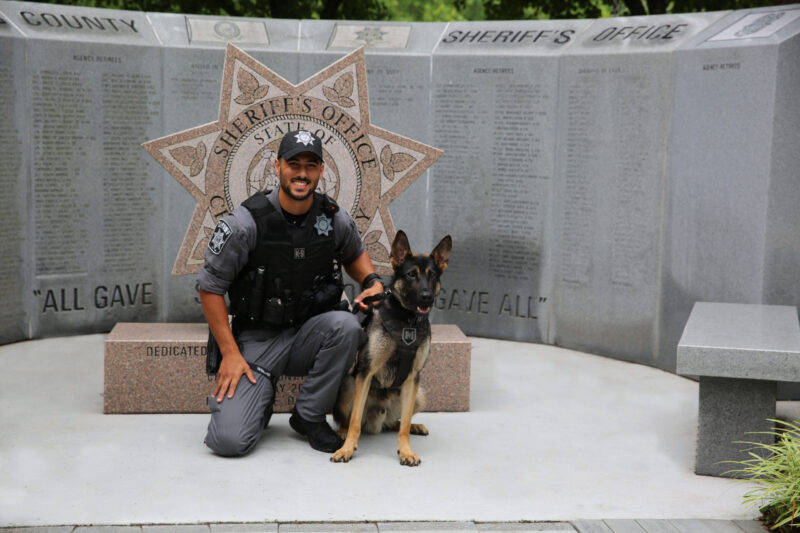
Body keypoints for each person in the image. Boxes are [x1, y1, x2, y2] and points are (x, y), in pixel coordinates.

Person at [197, 130, 384, 457]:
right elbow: (210, 288)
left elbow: (354, 253)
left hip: (309, 334)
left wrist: (371, 280)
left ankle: (309, 416)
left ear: (321, 171)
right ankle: (259, 401)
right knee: (228, 441)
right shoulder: (246, 223)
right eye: (293, 164)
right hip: (256, 342)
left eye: (311, 165)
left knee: (347, 326)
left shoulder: (331, 216)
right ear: (277, 166)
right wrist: (229, 352)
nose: (302, 173)